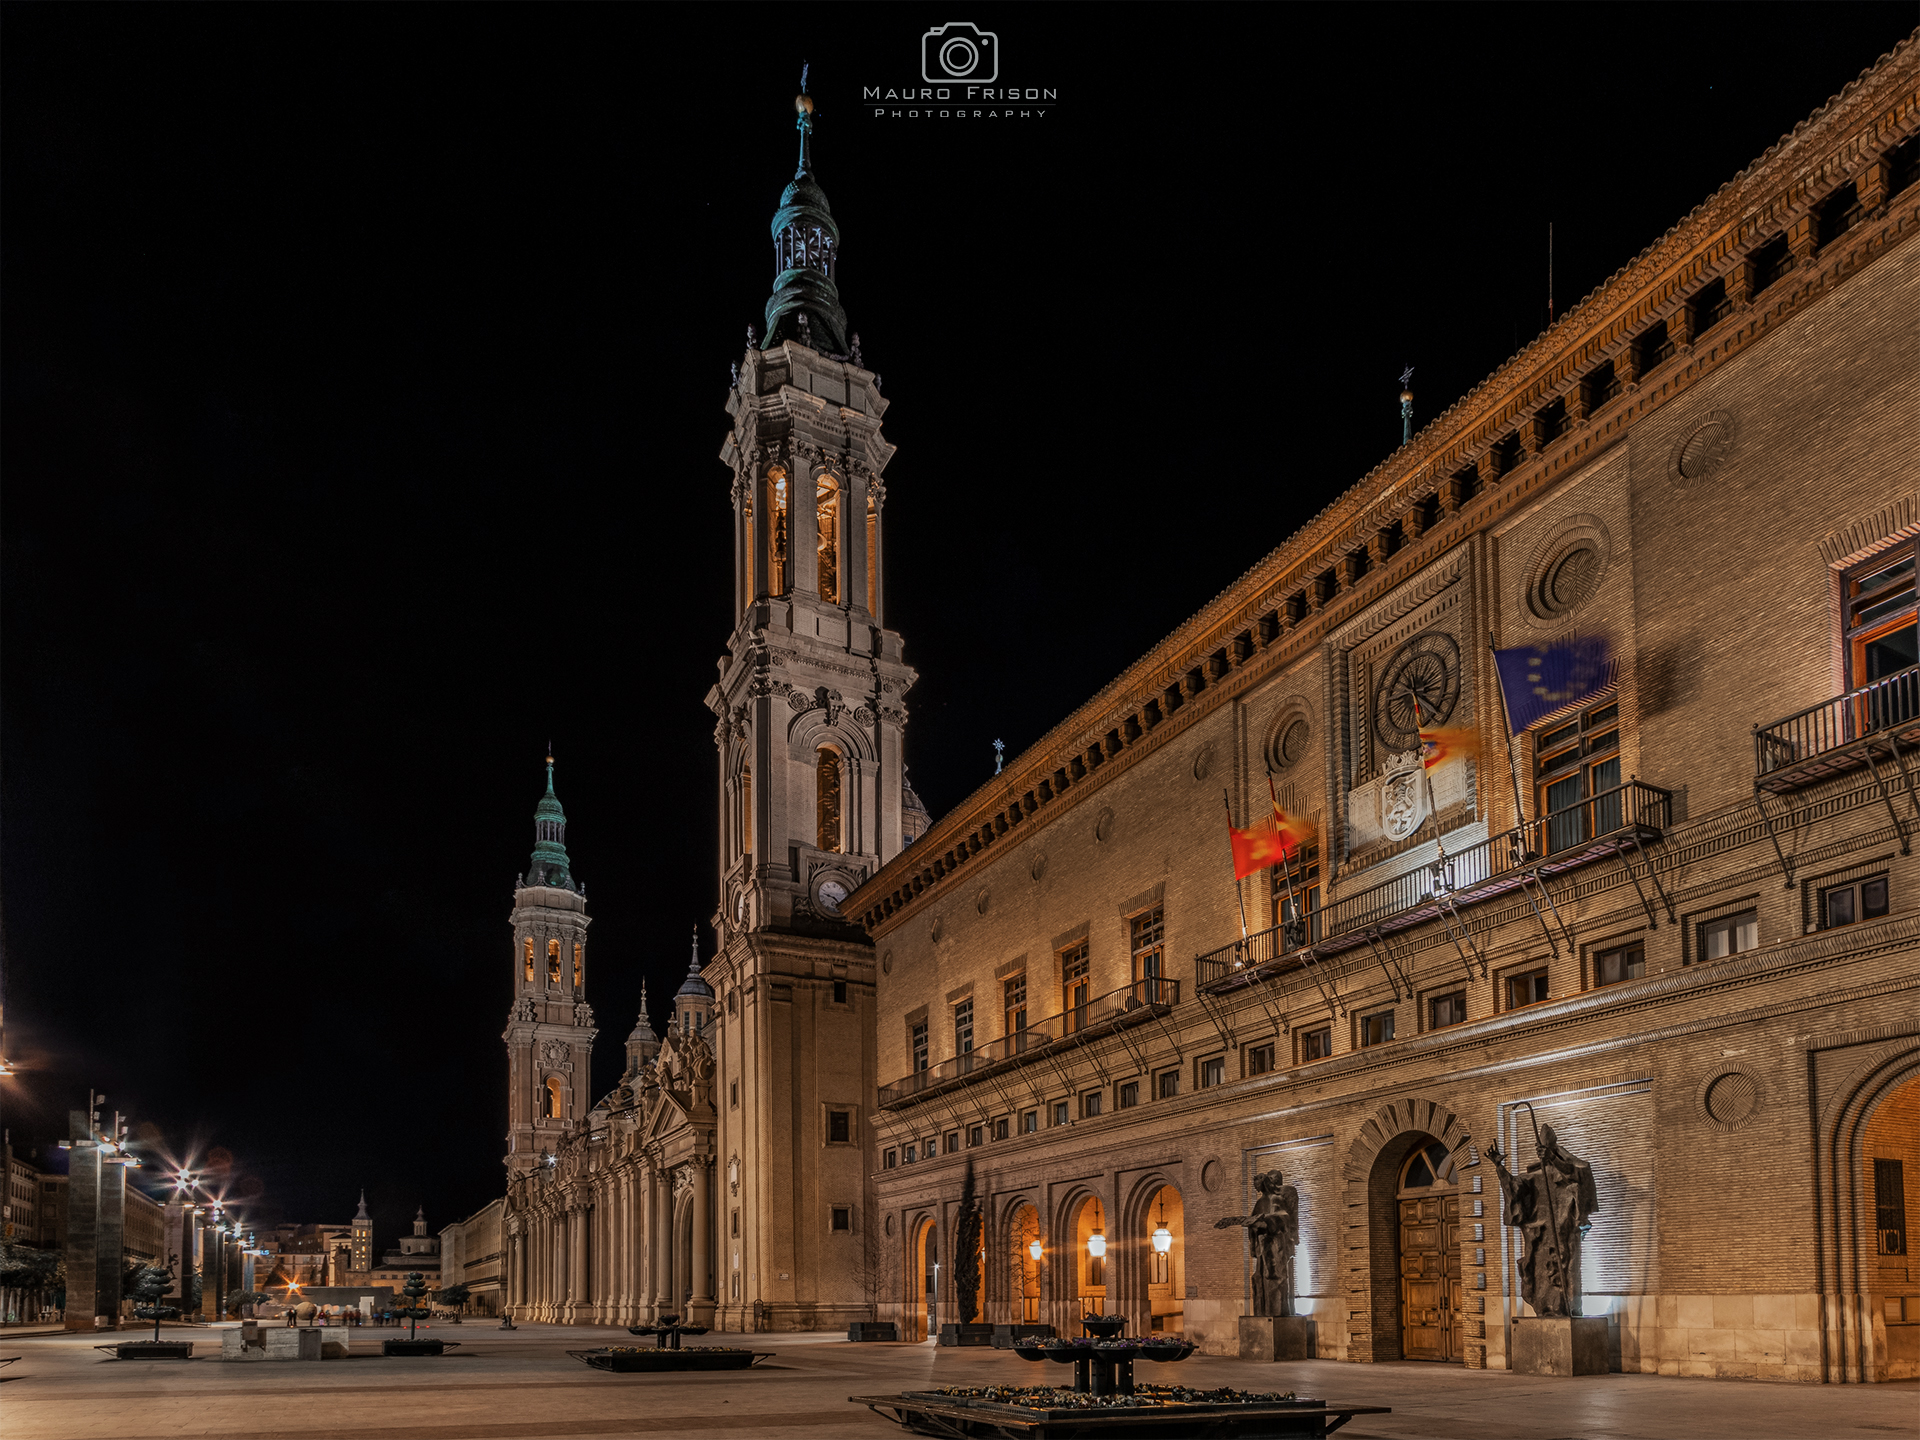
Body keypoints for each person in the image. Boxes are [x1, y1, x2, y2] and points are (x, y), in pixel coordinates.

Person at [1487, 1125, 1600, 1318]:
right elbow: (1514, 1189)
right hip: (1540, 1236)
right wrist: (1499, 1168)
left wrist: (1553, 1159)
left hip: (1565, 1234)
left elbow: (1579, 1177)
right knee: (1538, 1275)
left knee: (1567, 1274)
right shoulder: (1533, 1176)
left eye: (1547, 1148)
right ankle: (1545, 1309)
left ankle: (1569, 1309)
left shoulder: (1569, 1170)